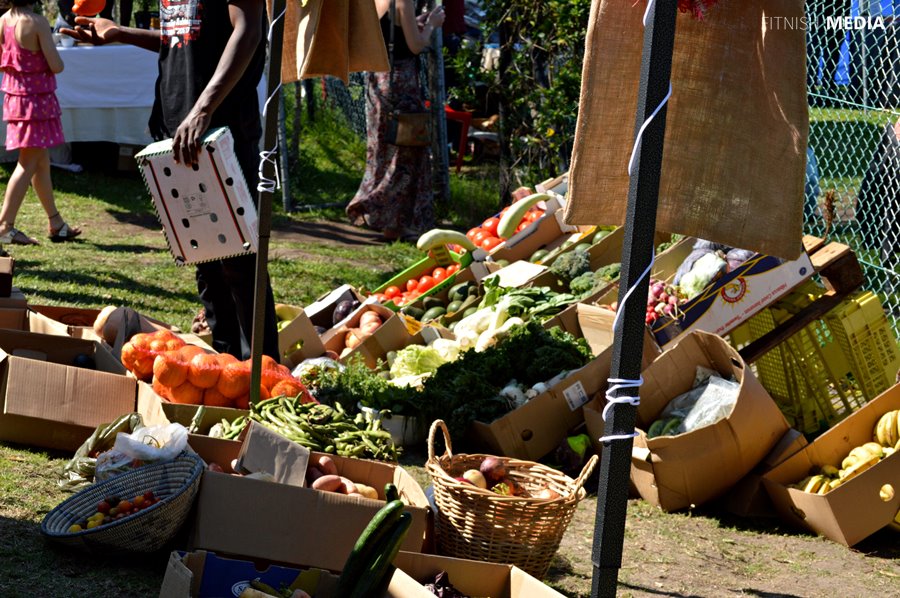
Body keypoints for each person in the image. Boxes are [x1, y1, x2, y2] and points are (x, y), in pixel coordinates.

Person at [61, 0, 280, 362]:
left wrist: (203, 109)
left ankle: (262, 373)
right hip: (175, 130)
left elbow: (249, 32)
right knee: (204, 256)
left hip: (220, 129)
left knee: (239, 261)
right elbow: (184, 37)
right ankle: (224, 367)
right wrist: (121, 34)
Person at [345, 0, 445, 242]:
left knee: (382, 149)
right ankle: (387, 217)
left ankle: (379, 214)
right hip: (401, 79)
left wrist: (416, 23)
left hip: (377, 78)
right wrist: (431, 25)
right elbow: (415, 46)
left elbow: (391, 32)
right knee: (407, 151)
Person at [0, 0, 81, 245]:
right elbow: (56, 65)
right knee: (27, 164)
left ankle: (56, 223)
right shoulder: (36, 22)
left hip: (16, 100)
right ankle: (5, 226)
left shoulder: (3, 21)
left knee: (40, 162)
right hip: (36, 104)